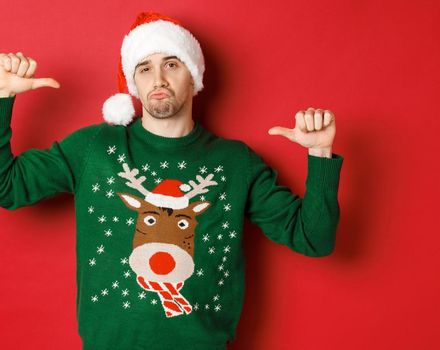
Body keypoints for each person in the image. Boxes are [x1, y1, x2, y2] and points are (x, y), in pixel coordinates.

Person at [0, 11, 343, 350]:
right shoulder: (94, 148)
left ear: (194, 76)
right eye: (145, 68)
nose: (159, 78)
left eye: (172, 64)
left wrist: (320, 154)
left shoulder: (236, 163)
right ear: (134, 83)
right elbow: (7, 186)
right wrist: (2, 98)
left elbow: (314, 239)